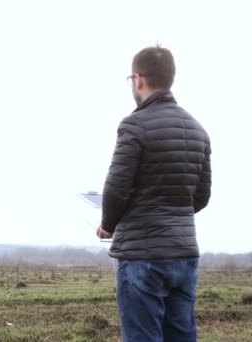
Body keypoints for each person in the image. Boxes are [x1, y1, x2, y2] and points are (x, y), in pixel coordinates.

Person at [96, 46, 212, 341]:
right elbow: (201, 197)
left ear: (138, 79)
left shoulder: (134, 125)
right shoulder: (198, 131)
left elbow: (115, 189)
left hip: (142, 257)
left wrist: (108, 224)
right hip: (184, 254)